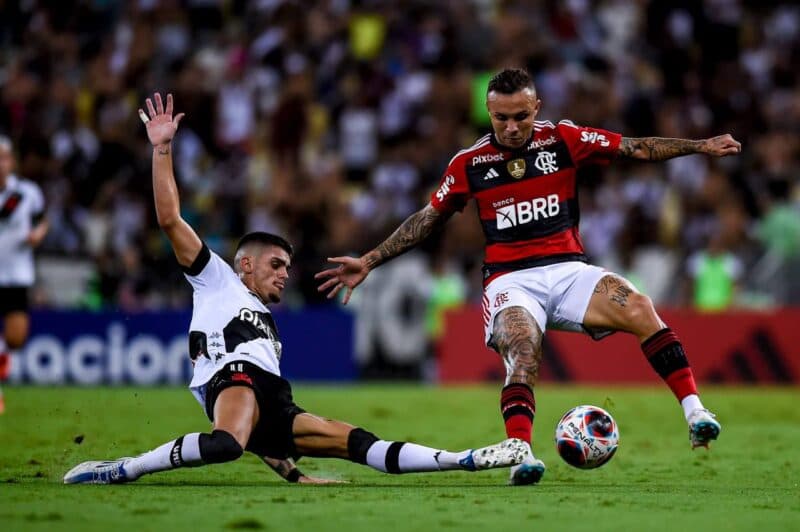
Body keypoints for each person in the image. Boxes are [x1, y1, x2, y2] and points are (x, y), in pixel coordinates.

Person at [63, 93, 526, 486]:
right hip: (232, 377)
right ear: (245, 263)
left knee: (353, 441)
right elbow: (170, 220)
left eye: (287, 266)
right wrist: (162, 149)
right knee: (226, 443)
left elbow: (258, 421)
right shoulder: (216, 278)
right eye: (276, 264)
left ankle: (460, 459)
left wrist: (292, 474)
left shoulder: (266, 325)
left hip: (270, 396)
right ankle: (123, 469)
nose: (284, 274)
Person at [316, 68, 742, 486]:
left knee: (639, 306)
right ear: (488, 112)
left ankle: (695, 412)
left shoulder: (563, 139)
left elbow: (636, 148)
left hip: (569, 270)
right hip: (510, 280)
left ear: (536, 107)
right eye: (501, 118)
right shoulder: (469, 163)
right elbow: (428, 219)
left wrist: (700, 146)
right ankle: (520, 451)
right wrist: (369, 260)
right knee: (523, 351)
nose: (512, 127)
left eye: (521, 116)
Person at [0, 135, 48, 414]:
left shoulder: (28, 193)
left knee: (16, 338)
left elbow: (42, 220)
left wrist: (37, 235)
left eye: (4, 158)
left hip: (18, 274)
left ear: (12, 161)